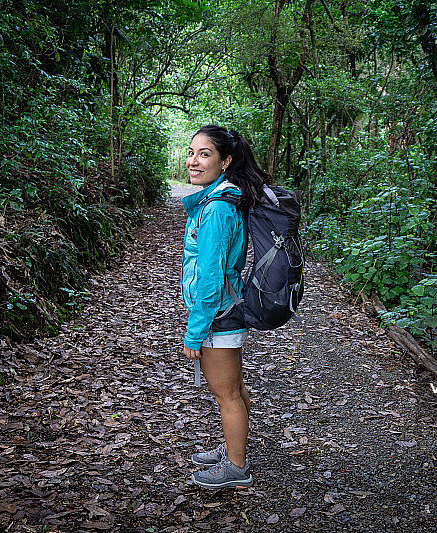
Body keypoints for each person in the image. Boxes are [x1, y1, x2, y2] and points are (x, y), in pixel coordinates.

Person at [181, 125, 267, 489]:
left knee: (226, 394)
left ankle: (236, 467)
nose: (193, 161)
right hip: (228, 307)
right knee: (235, 387)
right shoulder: (223, 198)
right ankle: (235, 448)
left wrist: (195, 331)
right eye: (191, 152)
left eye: (205, 154)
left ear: (225, 161)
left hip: (218, 313)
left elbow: (210, 277)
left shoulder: (216, 208)